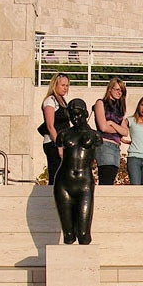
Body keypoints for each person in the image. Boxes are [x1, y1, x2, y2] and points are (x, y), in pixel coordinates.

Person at [54, 98, 102, 245]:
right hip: (64, 182)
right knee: (68, 235)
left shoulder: (95, 135)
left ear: (85, 113)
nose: (75, 118)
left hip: (84, 184)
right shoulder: (63, 134)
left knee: (83, 234)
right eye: (72, 115)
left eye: (78, 114)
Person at [93, 78, 129, 185]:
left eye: (121, 91)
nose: (119, 92)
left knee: (110, 179)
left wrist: (112, 124)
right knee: (106, 180)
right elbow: (103, 127)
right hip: (105, 145)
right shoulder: (101, 103)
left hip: (116, 147)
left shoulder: (119, 108)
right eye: (117, 89)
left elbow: (125, 132)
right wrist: (118, 129)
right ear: (110, 89)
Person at [40, 72, 70, 185]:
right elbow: (50, 126)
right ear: (55, 85)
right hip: (53, 144)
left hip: (62, 143)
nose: (65, 88)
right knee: (55, 175)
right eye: (63, 85)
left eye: (67, 85)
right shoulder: (50, 101)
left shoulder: (62, 101)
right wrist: (59, 145)